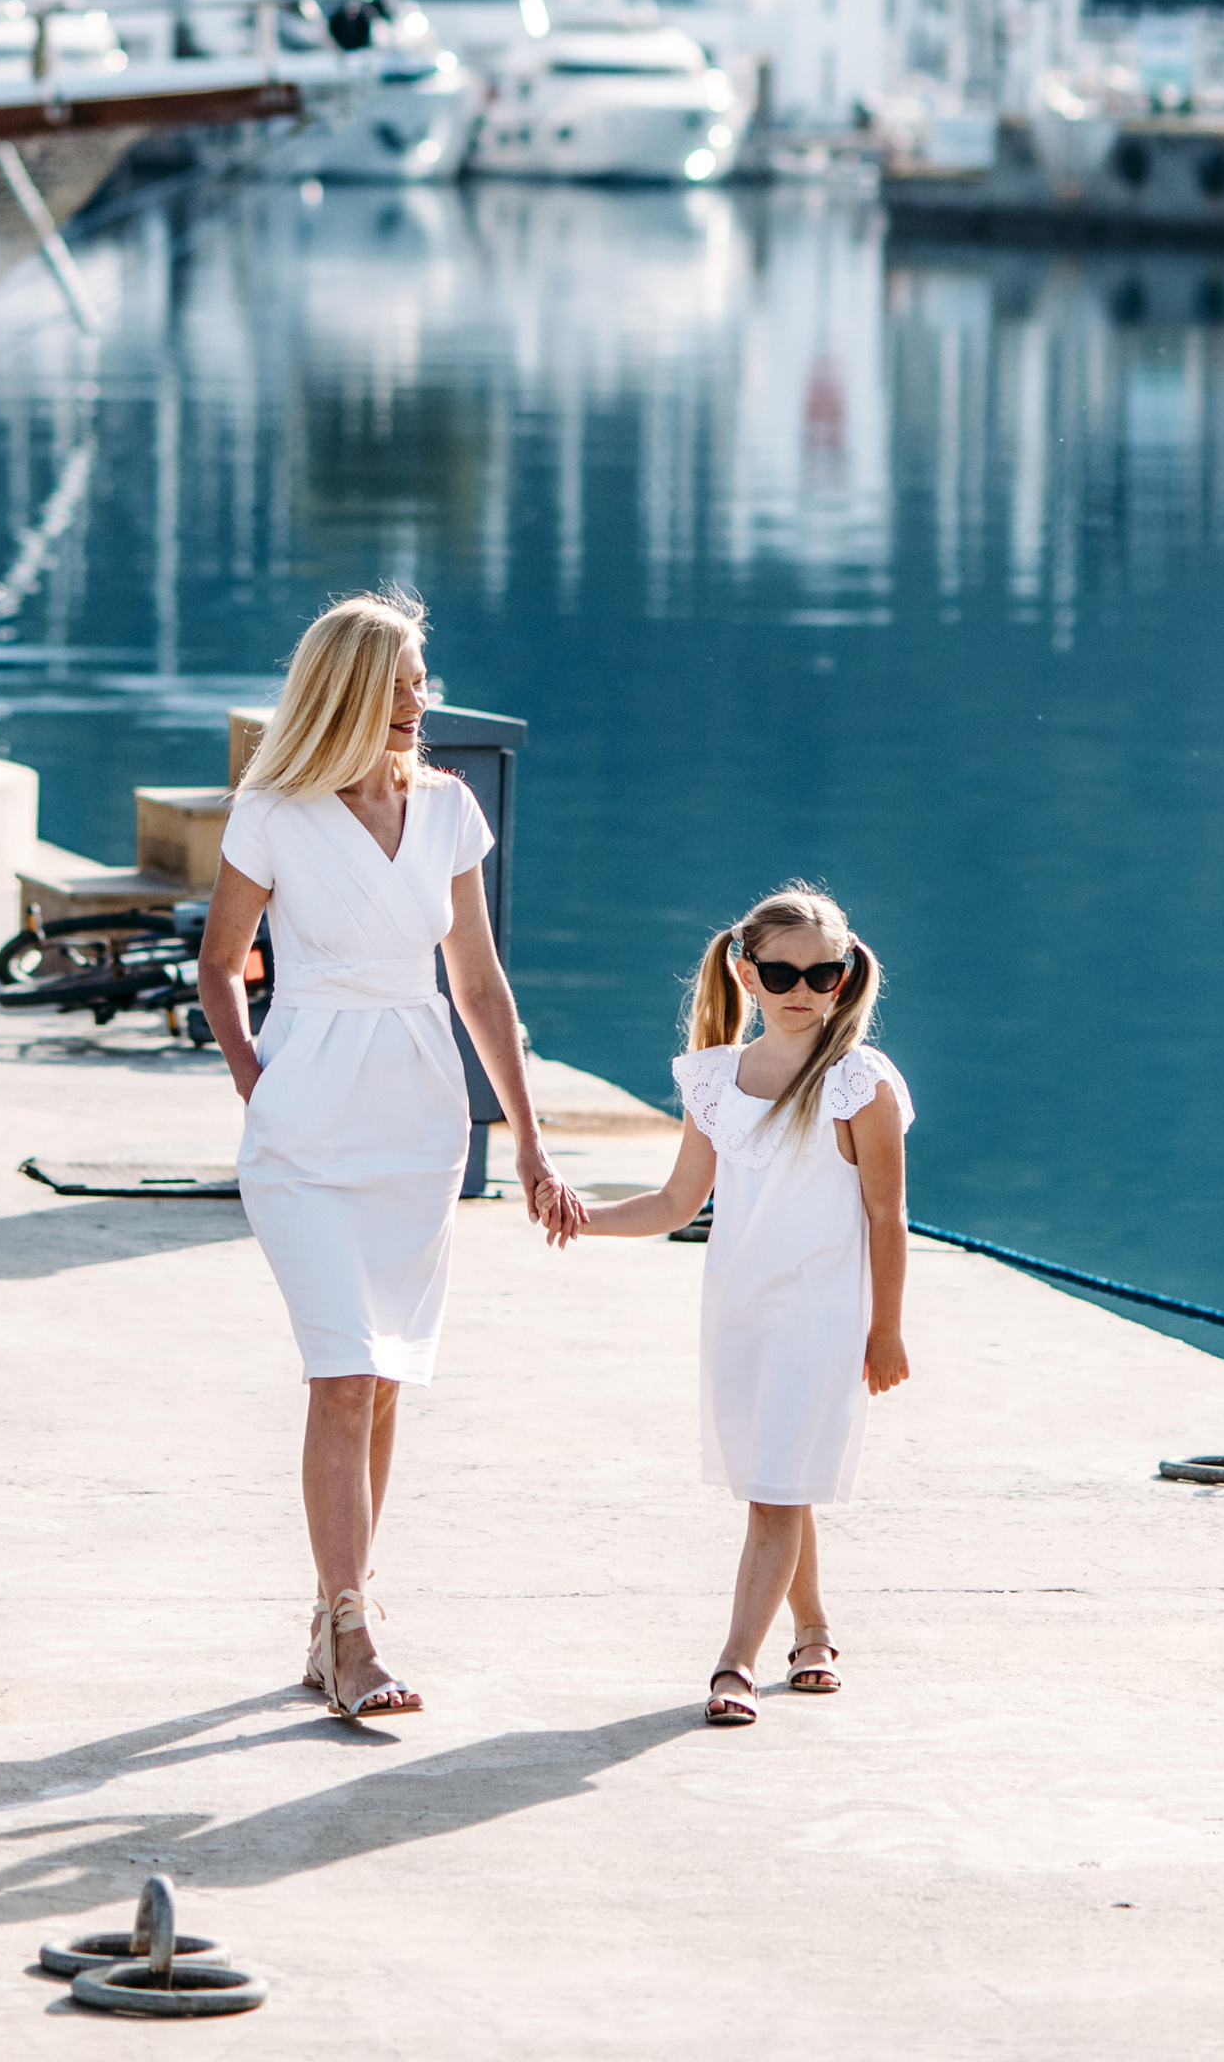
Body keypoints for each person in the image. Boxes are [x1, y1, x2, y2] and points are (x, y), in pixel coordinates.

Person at [196, 587, 577, 1723]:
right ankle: (356, 1634)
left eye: (424, 677)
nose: (424, 698)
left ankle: (332, 1611)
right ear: (351, 689)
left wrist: (530, 1146)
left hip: (416, 1115)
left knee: (387, 1370)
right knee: (339, 1371)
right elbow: (221, 965)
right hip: (306, 1113)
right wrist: (259, 1088)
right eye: (404, 680)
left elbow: (478, 984)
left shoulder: (451, 809)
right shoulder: (271, 810)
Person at [561, 882, 909, 1723]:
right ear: (746, 974)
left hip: (824, 1314)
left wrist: (886, 1329)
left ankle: (734, 1665)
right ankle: (815, 1629)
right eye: (781, 974)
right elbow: (678, 1202)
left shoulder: (858, 1084)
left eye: (822, 975)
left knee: (774, 1495)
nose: (801, 992)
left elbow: (885, 1215)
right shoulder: (716, 1079)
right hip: (740, 1311)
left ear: (845, 974)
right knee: (776, 1478)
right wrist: (586, 1220)